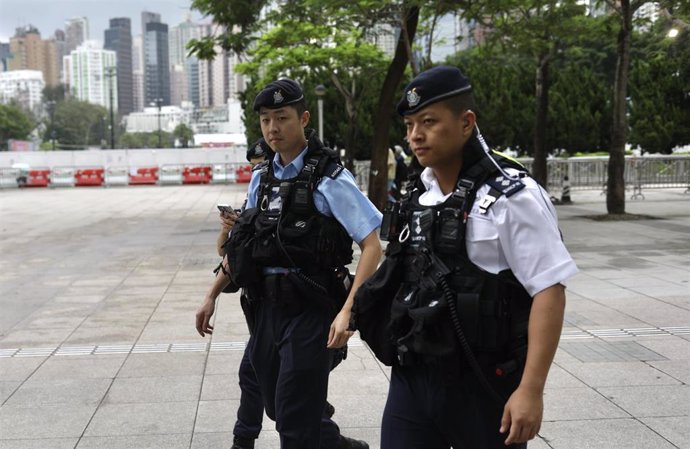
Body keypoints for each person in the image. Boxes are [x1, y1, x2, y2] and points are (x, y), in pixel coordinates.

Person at [353, 65, 578, 449]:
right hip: (413, 380)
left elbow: (549, 290)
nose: (415, 136)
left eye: (428, 122)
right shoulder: (417, 195)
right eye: (408, 125)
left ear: (466, 122)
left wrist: (531, 390)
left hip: (484, 382)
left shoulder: (513, 196)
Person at [197, 78, 383, 449]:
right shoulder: (261, 178)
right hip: (265, 310)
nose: (272, 128)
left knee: (294, 422)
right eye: (265, 120)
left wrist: (349, 310)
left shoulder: (330, 177)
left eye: (281, 117)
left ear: (304, 118)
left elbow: (372, 246)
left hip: (311, 310)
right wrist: (212, 294)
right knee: (281, 409)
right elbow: (244, 244)